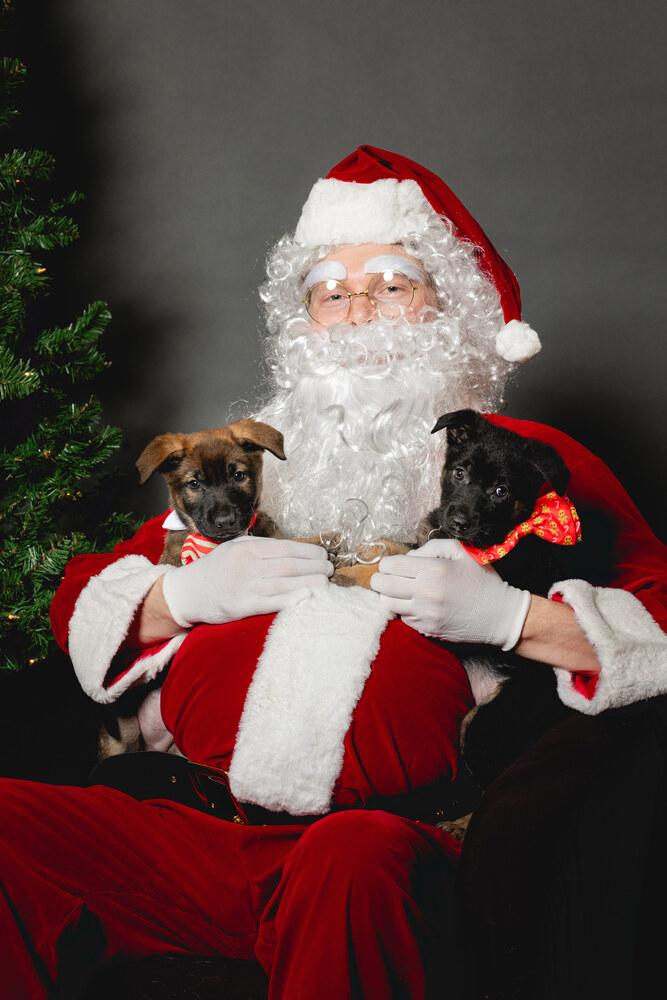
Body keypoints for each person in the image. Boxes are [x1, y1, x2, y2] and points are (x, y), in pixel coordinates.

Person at [2, 145, 666, 999]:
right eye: (331, 292)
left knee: (349, 862)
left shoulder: (526, 465)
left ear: (448, 310)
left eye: (391, 286)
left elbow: (656, 636)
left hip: (393, 841)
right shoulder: (249, 457)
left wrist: (509, 620)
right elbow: (89, 604)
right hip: (205, 831)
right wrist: (185, 595)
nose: (359, 314)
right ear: (301, 324)